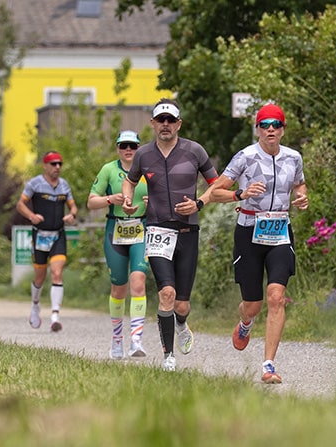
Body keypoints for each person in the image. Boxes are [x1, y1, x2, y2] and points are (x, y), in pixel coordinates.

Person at [200, 103, 308, 384]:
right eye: (264, 125)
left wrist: (302, 197)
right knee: (253, 304)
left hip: (280, 231)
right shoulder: (245, 157)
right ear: (258, 129)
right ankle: (245, 323)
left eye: (276, 124)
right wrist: (241, 193)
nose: (270, 129)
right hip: (249, 232)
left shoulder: (294, 157)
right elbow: (214, 191)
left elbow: (299, 184)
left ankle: (268, 365)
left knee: (277, 297)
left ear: (283, 129)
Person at [122, 100, 218, 371]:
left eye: (170, 120)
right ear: (152, 123)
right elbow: (130, 180)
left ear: (178, 124)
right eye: (160, 120)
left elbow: (217, 184)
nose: (165, 125)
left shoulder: (194, 151)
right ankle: (168, 356)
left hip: (188, 231)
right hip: (157, 230)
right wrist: (128, 200)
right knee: (167, 292)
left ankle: (182, 324)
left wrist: (200, 203)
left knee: (182, 304)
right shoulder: (143, 154)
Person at [87, 130, 150, 359]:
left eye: (133, 146)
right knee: (118, 288)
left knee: (139, 282)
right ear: (117, 148)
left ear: (139, 148)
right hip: (116, 230)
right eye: (124, 146)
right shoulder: (108, 170)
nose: (128, 150)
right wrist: (109, 200)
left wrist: (152, 202)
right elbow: (91, 202)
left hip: (141, 230)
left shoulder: (147, 170)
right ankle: (117, 340)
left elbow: (166, 199)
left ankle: (136, 339)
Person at [16, 150, 78, 332]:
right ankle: (35, 304)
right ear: (45, 165)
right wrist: (31, 216)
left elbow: (73, 205)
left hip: (58, 234)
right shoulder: (35, 183)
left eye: (60, 164)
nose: (57, 167)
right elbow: (20, 204)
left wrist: (72, 215)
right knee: (40, 276)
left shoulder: (64, 185)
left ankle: (55, 316)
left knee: (57, 272)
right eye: (53, 164)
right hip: (40, 235)